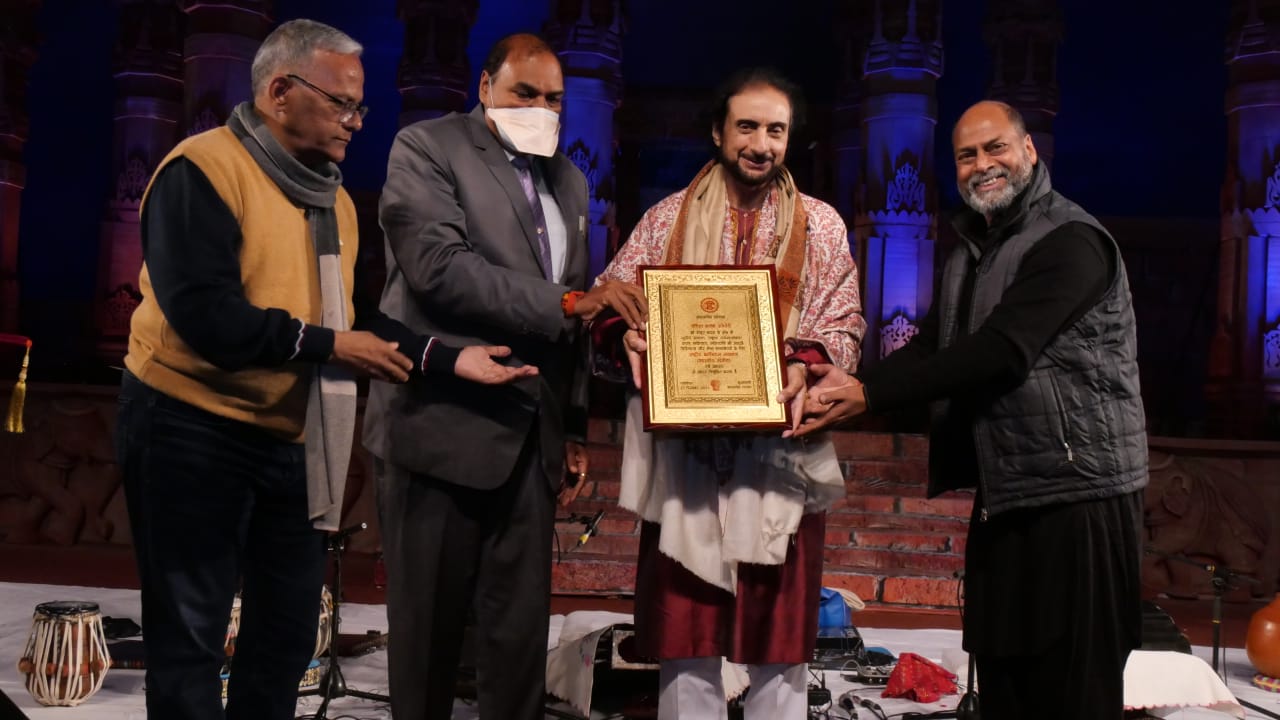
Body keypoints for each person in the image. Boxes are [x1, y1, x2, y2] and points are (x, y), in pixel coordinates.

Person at [116, 19, 533, 720]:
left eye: (360, 106)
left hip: (290, 438)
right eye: (342, 103)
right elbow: (207, 320)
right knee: (190, 641)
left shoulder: (332, 198)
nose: (356, 121)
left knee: (285, 640)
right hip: (187, 428)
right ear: (280, 91)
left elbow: (352, 317)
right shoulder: (202, 170)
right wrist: (333, 348)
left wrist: (447, 358)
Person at [792, 100, 1148, 720]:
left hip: (1080, 496)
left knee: (1072, 689)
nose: (982, 164)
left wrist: (868, 397)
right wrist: (854, 381)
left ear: (1029, 150)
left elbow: (1003, 352)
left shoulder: (1073, 240)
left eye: (995, 147)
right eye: (966, 155)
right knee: (1003, 677)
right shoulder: (972, 252)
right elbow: (933, 347)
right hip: (1009, 491)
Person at [365, 32, 647, 720]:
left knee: (518, 641)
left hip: (531, 436)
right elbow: (439, 268)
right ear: (485, 86)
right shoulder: (428, 148)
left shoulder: (569, 179)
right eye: (525, 93)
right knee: (429, 637)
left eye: (554, 99)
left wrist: (573, 424)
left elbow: (573, 318)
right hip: (439, 426)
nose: (541, 109)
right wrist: (569, 302)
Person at [592, 67, 866, 719]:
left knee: (779, 636)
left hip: (779, 453)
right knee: (687, 631)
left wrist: (805, 363)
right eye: (747, 127)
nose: (761, 144)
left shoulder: (821, 225)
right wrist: (627, 335)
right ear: (718, 131)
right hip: (685, 457)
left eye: (776, 130)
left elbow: (844, 320)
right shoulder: (666, 219)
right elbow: (611, 299)